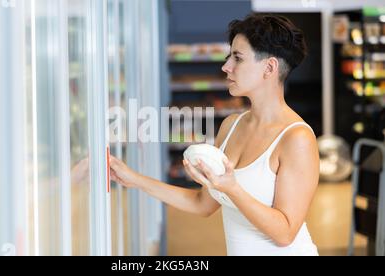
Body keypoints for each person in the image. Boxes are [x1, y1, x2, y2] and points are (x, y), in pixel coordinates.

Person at [109, 13, 320, 256]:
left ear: (269, 67)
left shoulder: (297, 138)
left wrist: (232, 189)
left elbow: (285, 233)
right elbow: (202, 204)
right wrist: (133, 178)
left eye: (237, 58)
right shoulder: (231, 126)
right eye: (229, 56)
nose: (226, 66)